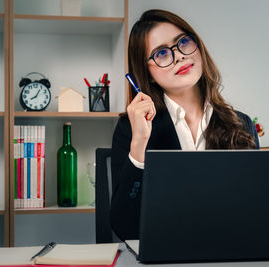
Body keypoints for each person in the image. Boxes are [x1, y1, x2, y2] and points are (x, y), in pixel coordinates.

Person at [110, 9, 260, 241]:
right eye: (161, 53)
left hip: (229, 253)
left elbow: (254, 212)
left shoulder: (241, 124)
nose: (179, 56)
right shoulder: (131, 128)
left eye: (183, 42)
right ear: (147, 74)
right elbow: (125, 227)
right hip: (165, 255)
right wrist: (139, 143)